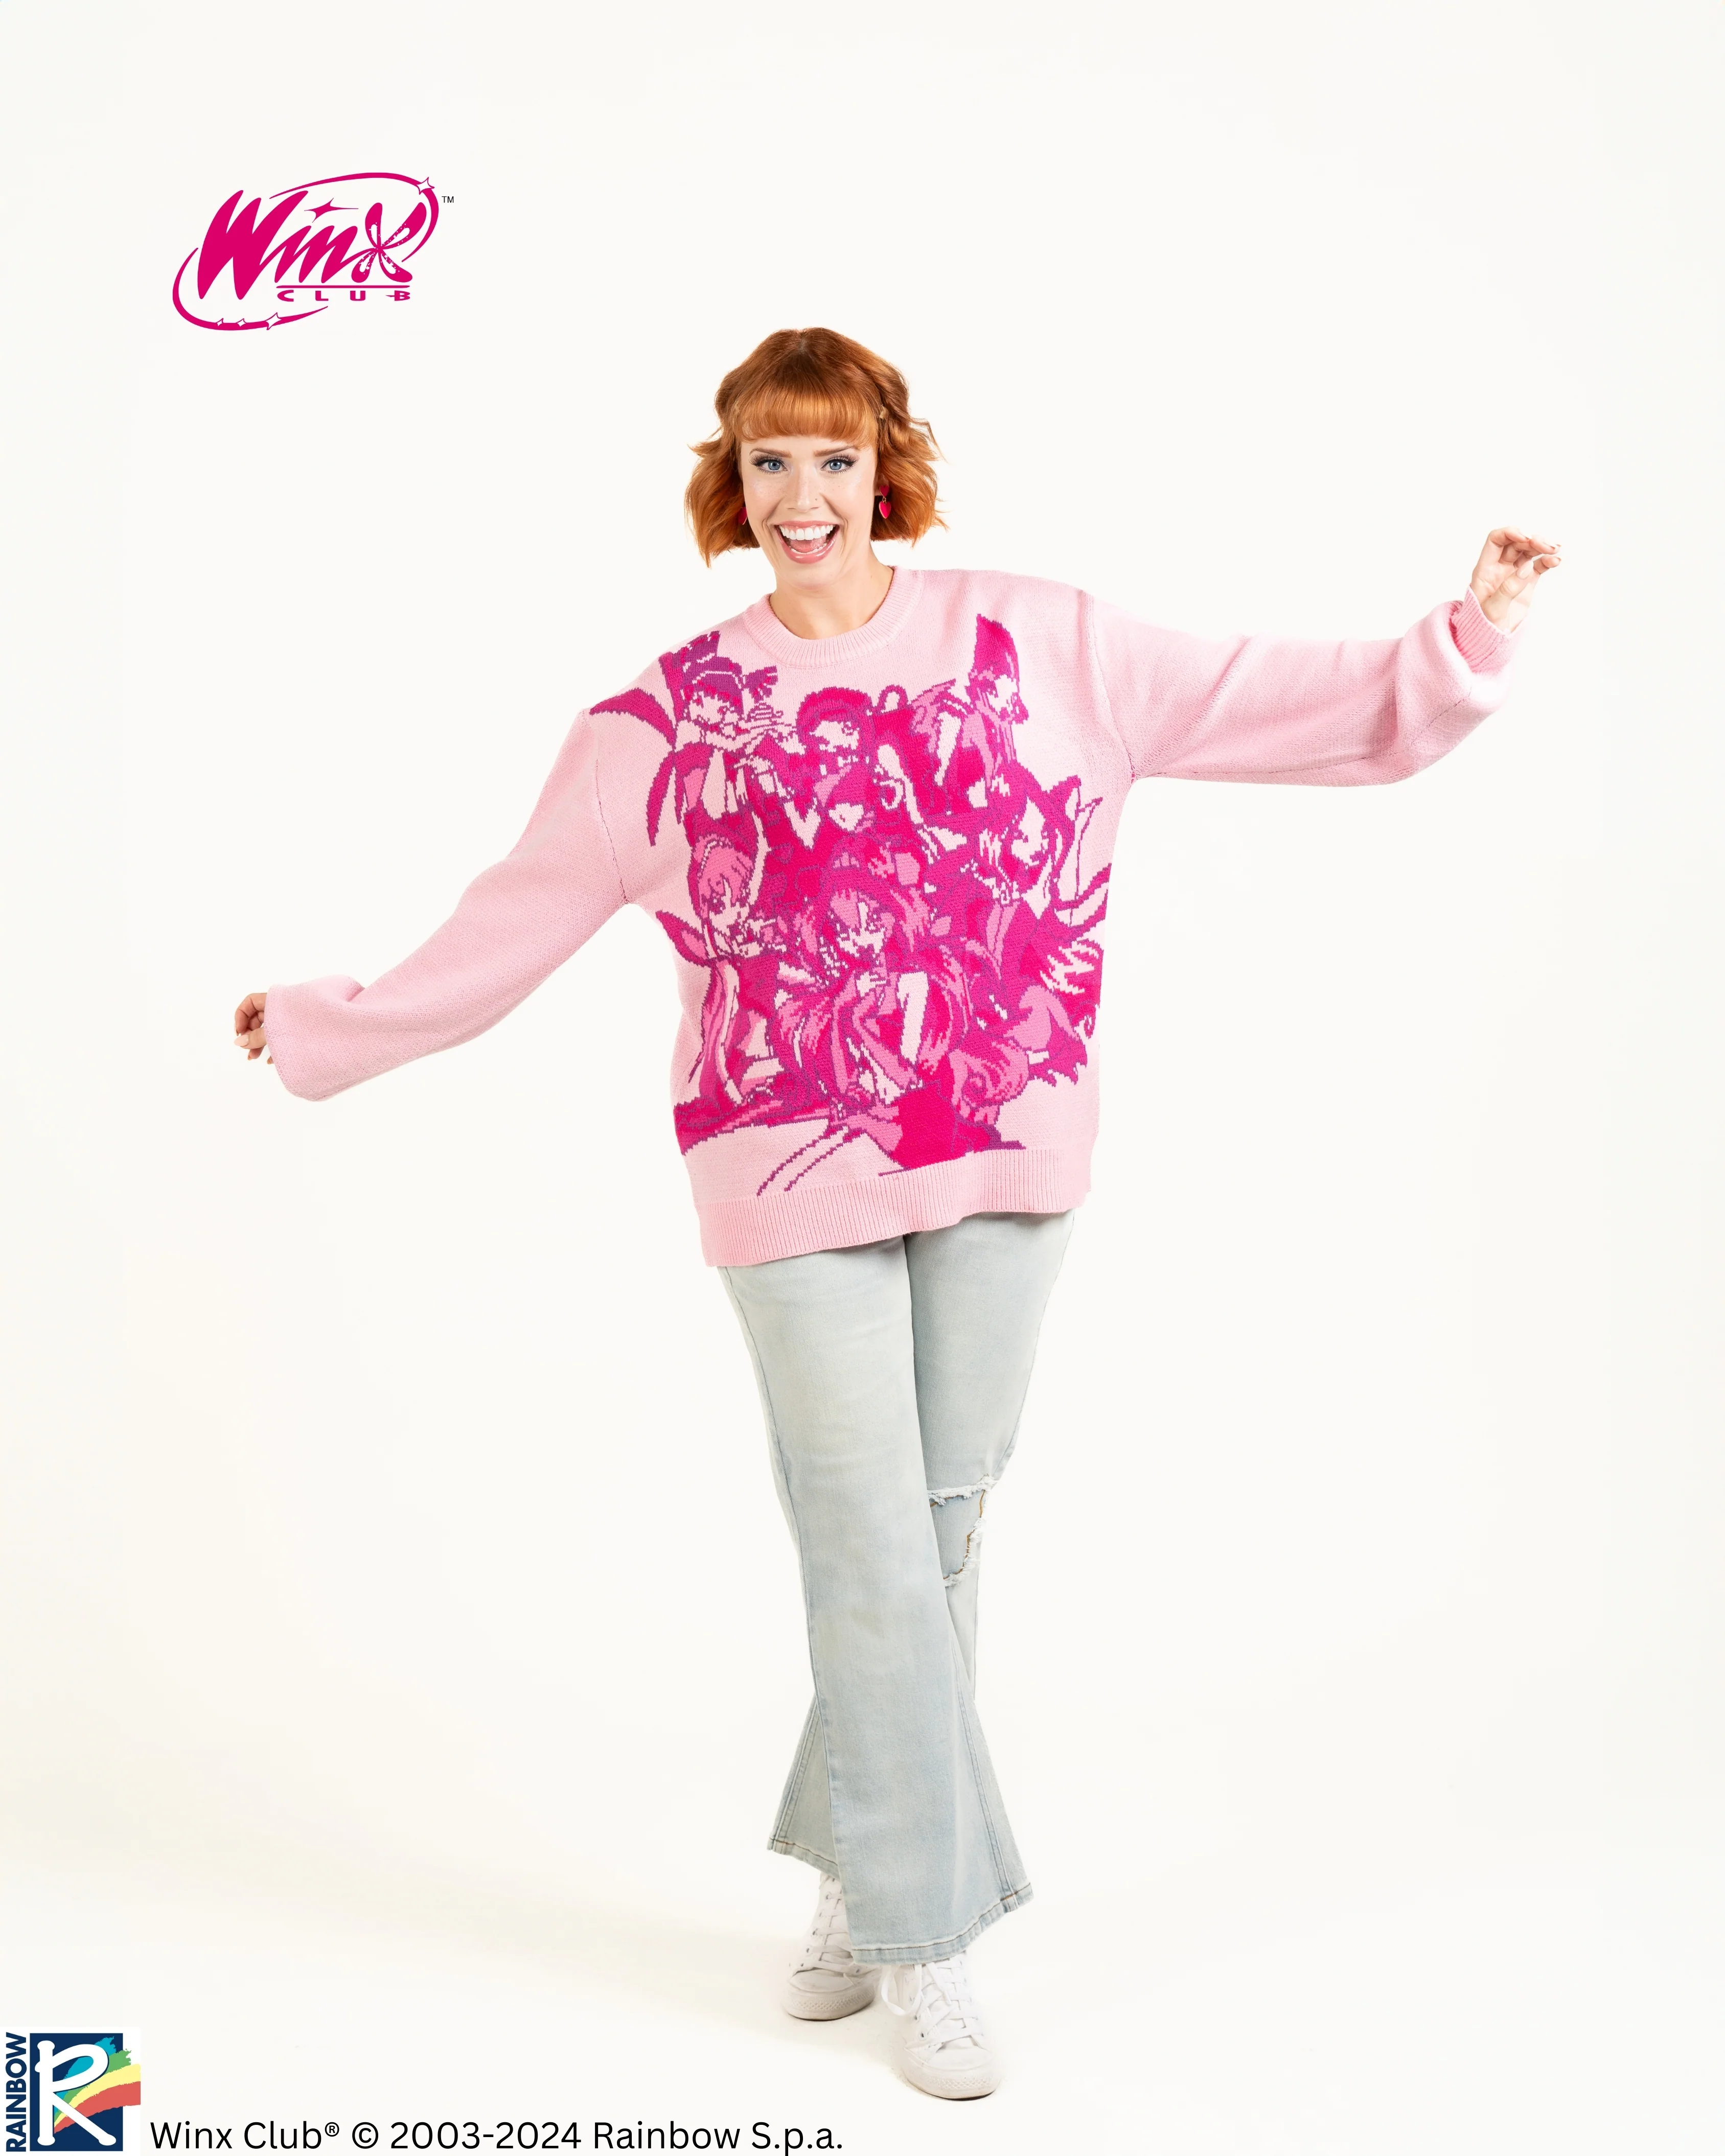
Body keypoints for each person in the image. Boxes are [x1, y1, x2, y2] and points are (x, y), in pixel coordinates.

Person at [233, 326, 1560, 2100]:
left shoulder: (1047, 642)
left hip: (1004, 1148)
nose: (804, 495)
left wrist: (1458, 644)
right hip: (779, 1166)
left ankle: (862, 1870)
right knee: (868, 1538)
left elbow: (1265, 698)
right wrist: (334, 1025)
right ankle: (928, 1943)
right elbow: (518, 913)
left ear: (884, 471)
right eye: (769, 462)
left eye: (834, 459)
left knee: (933, 1530)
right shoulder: (659, 720)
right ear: (732, 485)